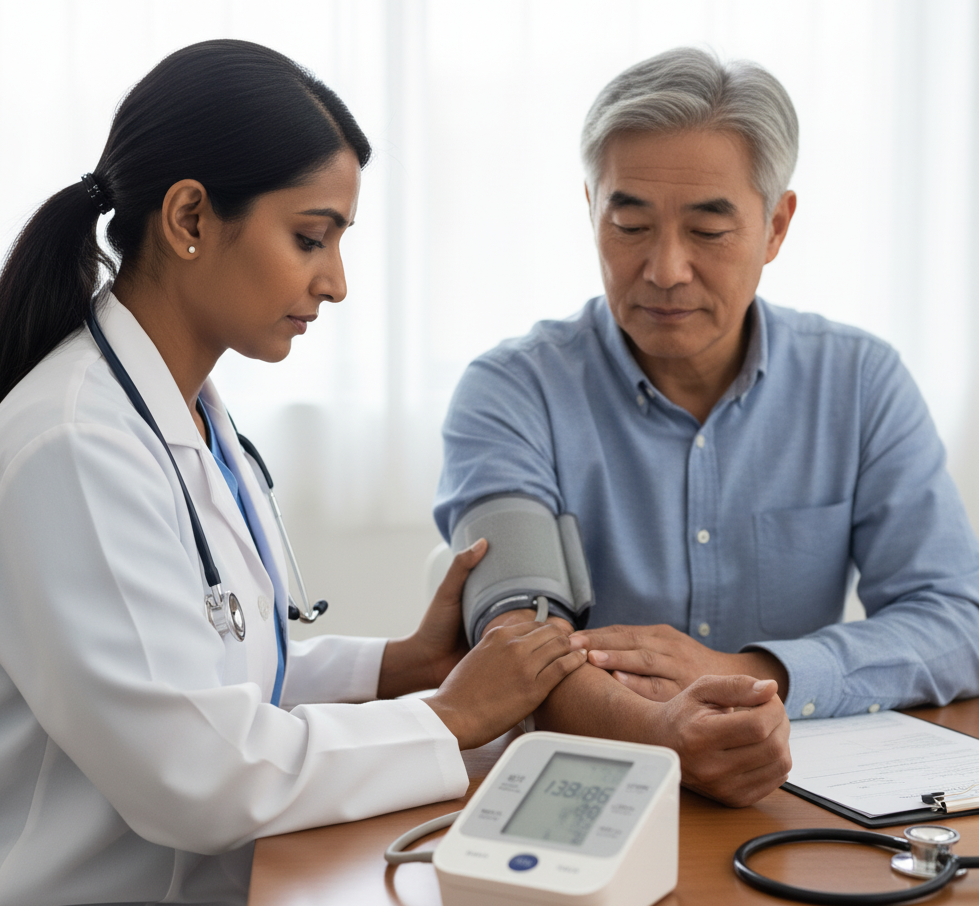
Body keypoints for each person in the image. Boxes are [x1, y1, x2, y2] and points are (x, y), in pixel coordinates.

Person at [0, 40, 588, 906]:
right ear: (191, 219)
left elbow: (208, 674)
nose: (337, 283)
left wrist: (397, 666)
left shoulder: (190, 411)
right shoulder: (75, 444)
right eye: (311, 237)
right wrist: (450, 715)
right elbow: (195, 770)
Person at [434, 47, 979, 806]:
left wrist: (746, 670)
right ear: (591, 211)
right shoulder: (510, 391)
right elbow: (518, 642)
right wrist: (665, 728)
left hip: (796, 798)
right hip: (584, 794)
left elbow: (957, 622)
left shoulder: (859, 381)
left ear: (776, 226)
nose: (665, 269)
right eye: (630, 222)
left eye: (708, 231)